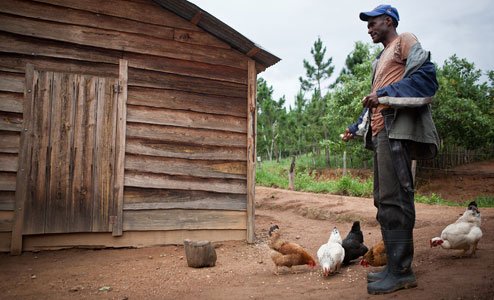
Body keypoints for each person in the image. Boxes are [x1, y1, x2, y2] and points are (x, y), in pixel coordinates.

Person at [341, 4, 440, 295]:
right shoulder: (380, 59)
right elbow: (375, 101)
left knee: (396, 198)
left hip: (395, 133)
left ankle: (402, 271)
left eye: (372, 23)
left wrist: (383, 94)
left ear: (389, 21)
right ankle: (394, 266)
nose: (369, 29)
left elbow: (426, 80)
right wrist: (355, 127)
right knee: (384, 199)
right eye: (367, 25)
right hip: (381, 133)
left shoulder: (405, 41)